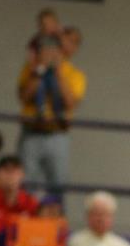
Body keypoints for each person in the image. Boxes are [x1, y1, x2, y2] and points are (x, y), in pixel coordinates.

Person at [18, 33, 84, 196]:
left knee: (58, 183)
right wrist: (39, 71)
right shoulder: (30, 69)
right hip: (32, 131)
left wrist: (57, 72)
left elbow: (70, 102)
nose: (50, 54)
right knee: (27, 183)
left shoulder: (74, 74)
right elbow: (24, 97)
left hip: (58, 132)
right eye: (46, 50)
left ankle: (56, 219)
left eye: (54, 50)